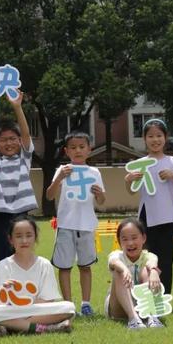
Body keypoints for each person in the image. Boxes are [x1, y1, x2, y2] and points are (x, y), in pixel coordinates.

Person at [0, 216, 75, 335]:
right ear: (10, 240)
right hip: (10, 310)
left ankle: (8, 325)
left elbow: (48, 300)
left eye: (29, 235)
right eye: (19, 236)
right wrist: (5, 291)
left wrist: (27, 305)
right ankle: (44, 328)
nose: (24, 241)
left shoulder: (44, 264)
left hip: (36, 309)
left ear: (35, 238)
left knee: (69, 307)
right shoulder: (2, 265)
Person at [124, 118, 173, 294]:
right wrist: (128, 180)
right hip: (146, 217)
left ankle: (164, 295)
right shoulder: (141, 164)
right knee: (145, 258)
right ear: (144, 139)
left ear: (166, 137)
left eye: (159, 135)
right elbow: (132, 191)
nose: (155, 140)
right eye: (151, 136)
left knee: (166, 260)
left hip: (167, 217)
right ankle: (146, 294)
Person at [45, 131, 105, 317]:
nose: (77, 150)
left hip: (86, 225)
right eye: (73, 147)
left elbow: (102, 201)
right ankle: (68, 304)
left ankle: (86, 304)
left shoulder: (94, 172)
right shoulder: (62, 170)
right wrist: (59, 178)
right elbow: (49, 195)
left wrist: (99, 194)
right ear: (66, 151)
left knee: (85, 266)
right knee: (64, 267)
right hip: (65, 225)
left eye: (82, 147)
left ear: (89, 150)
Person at [0, 90, 38, 276]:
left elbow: (28, 135)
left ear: (20, 142)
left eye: (13, 139)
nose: (9, 143)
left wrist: (17, 107)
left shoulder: (24, 159)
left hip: (21, 212)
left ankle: (23, 291)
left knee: (22, 254)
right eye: (4, 140)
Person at [105, 218, 165, 330]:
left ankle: (152, 316)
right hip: (118, 307)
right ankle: (133, 320)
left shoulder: (149, 256)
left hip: (141, 305)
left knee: (148, 270)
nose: (130, 243)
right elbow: (114, 262)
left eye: (134, 238)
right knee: (119, 272)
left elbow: (152, 262)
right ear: (119, 242)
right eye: (125, 239)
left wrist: (153, 271)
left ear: (143, 238)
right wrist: (124, 269)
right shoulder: (117, 255)